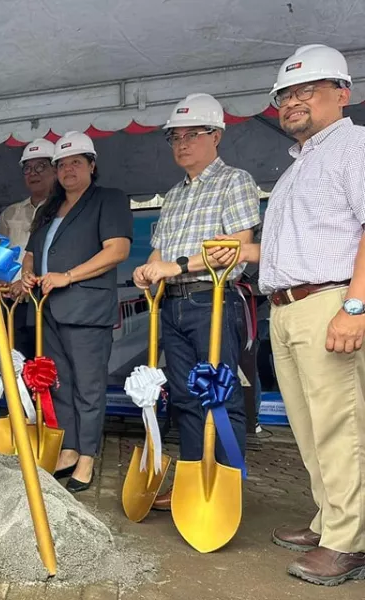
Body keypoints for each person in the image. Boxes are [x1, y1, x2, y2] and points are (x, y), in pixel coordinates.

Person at [208, 44, 365, 585]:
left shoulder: (355, 146)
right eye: (285, 95)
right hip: (287, 305)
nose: (291, 102)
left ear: (342, 93)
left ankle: (350, 540)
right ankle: (331, 520)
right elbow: (303, 246)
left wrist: (355, 305)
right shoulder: (299, 164)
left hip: (330, 302)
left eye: (305, 90)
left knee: (340, 426)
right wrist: (245, 250)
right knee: (309, 428)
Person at [132, 93, 260, 512]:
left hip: (213, 300)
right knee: (185, 397)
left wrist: (176, 266)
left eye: (193, 134)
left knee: (218, 395)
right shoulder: (173, 195)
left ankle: (225, 487)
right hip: (172, 305)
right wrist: (147, 270)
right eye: (174, 137)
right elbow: (158, 254)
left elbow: (238, 247)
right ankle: (191, 480)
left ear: (217, 136)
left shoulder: (235, 181)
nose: (182, 143)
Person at [22, 132, 132, 492]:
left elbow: (116, 250)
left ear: (91, 166)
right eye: (62, 164)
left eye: (76, 162)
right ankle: (69, 449)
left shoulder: (108, 200)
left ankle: (88, 456)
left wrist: (68, 276)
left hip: (85, 308)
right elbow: (31, 255)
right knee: (60, 384)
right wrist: (25, 274)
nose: (68, 169)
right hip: (47, 309)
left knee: (88, 386)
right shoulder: (49, 209)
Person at [0, 139, 57, 360]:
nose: (33, 173)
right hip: (13, 301)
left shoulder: (64, 210)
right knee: (16, 366)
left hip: (48, 299)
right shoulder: (10, 213)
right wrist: (1, 282)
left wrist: (28, 283)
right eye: (28, 168)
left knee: (46, 366)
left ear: (55, 169)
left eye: (41, 166)